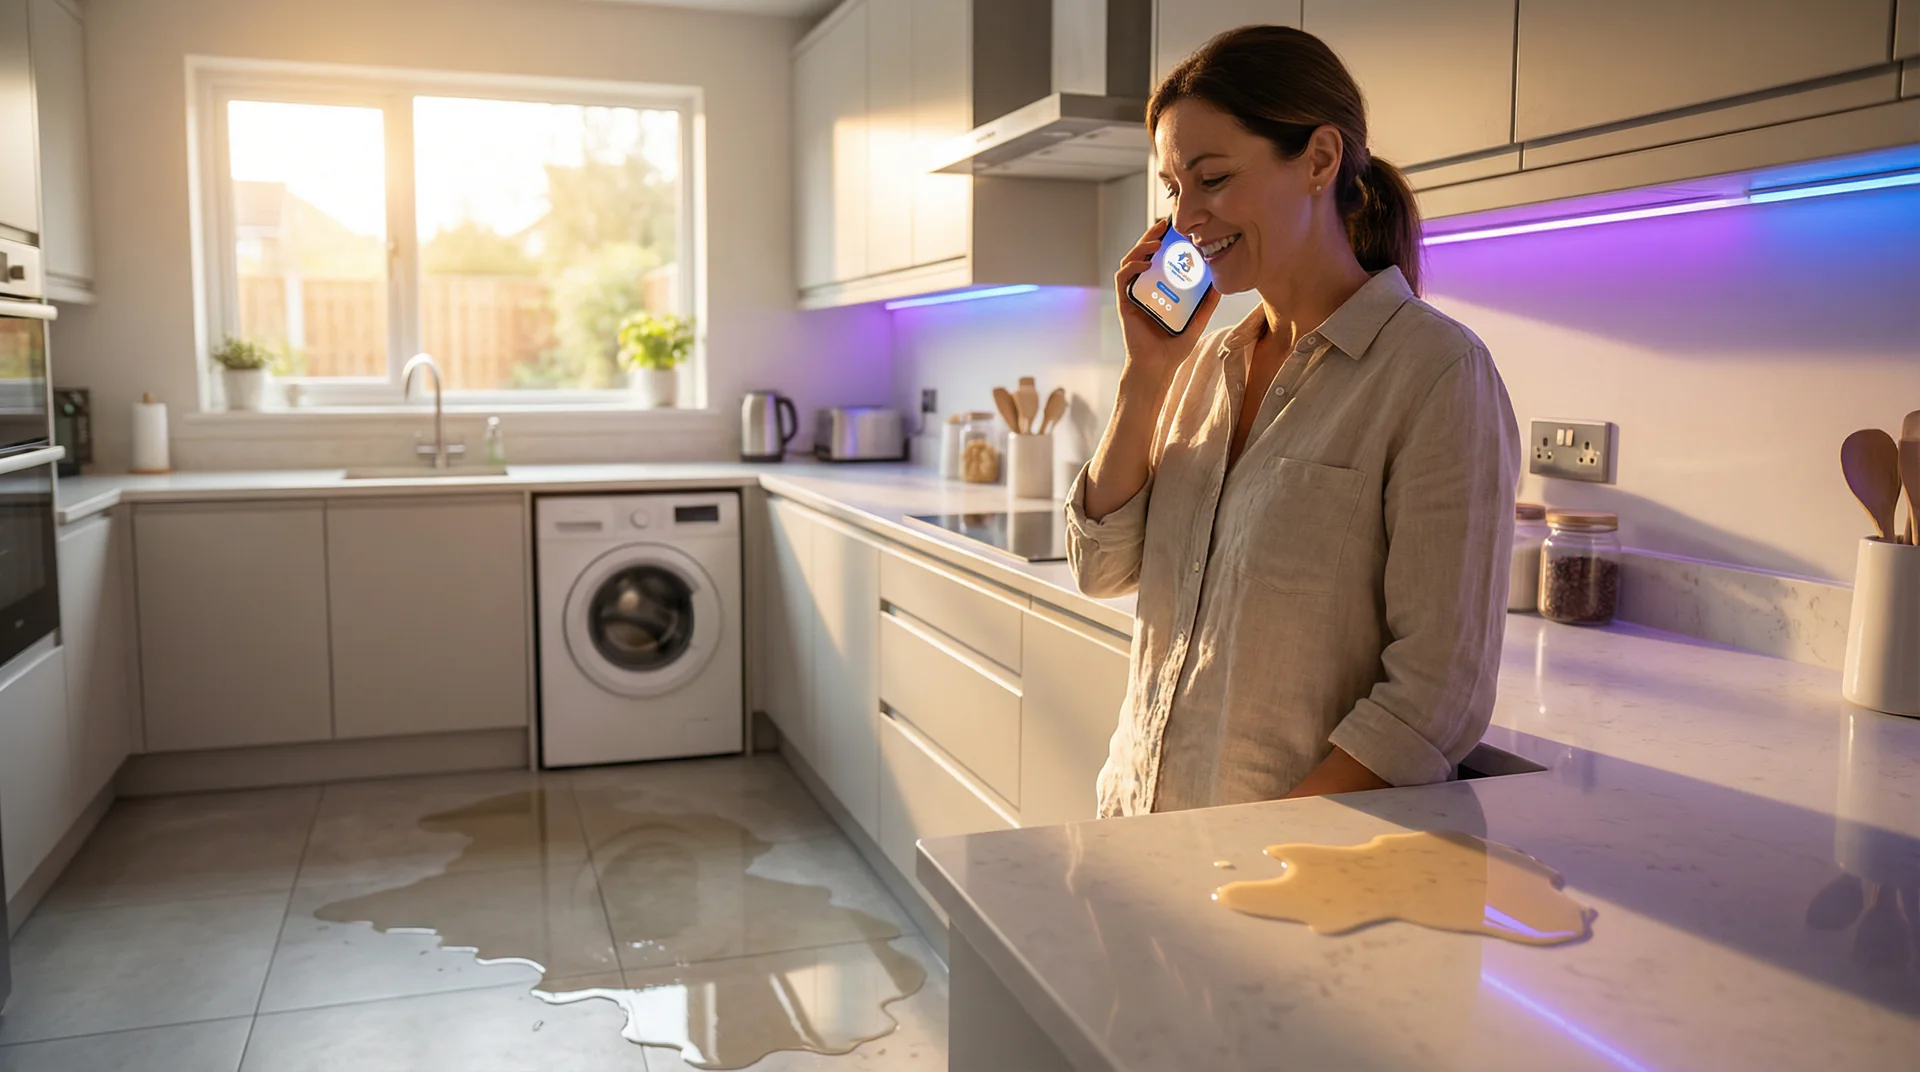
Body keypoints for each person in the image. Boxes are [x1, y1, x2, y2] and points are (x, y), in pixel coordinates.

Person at [1068, 25, 1520, 817]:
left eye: (1212, 179)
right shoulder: (1204, 366)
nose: (1186, 218)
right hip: (1137, 831)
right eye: (1173, 189)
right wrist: (1146, 373)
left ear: (1319, 160)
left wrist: (1261, 851)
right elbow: (1099, 568)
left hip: (1282, 867)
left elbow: (1434, 697)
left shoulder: (1436, 373)